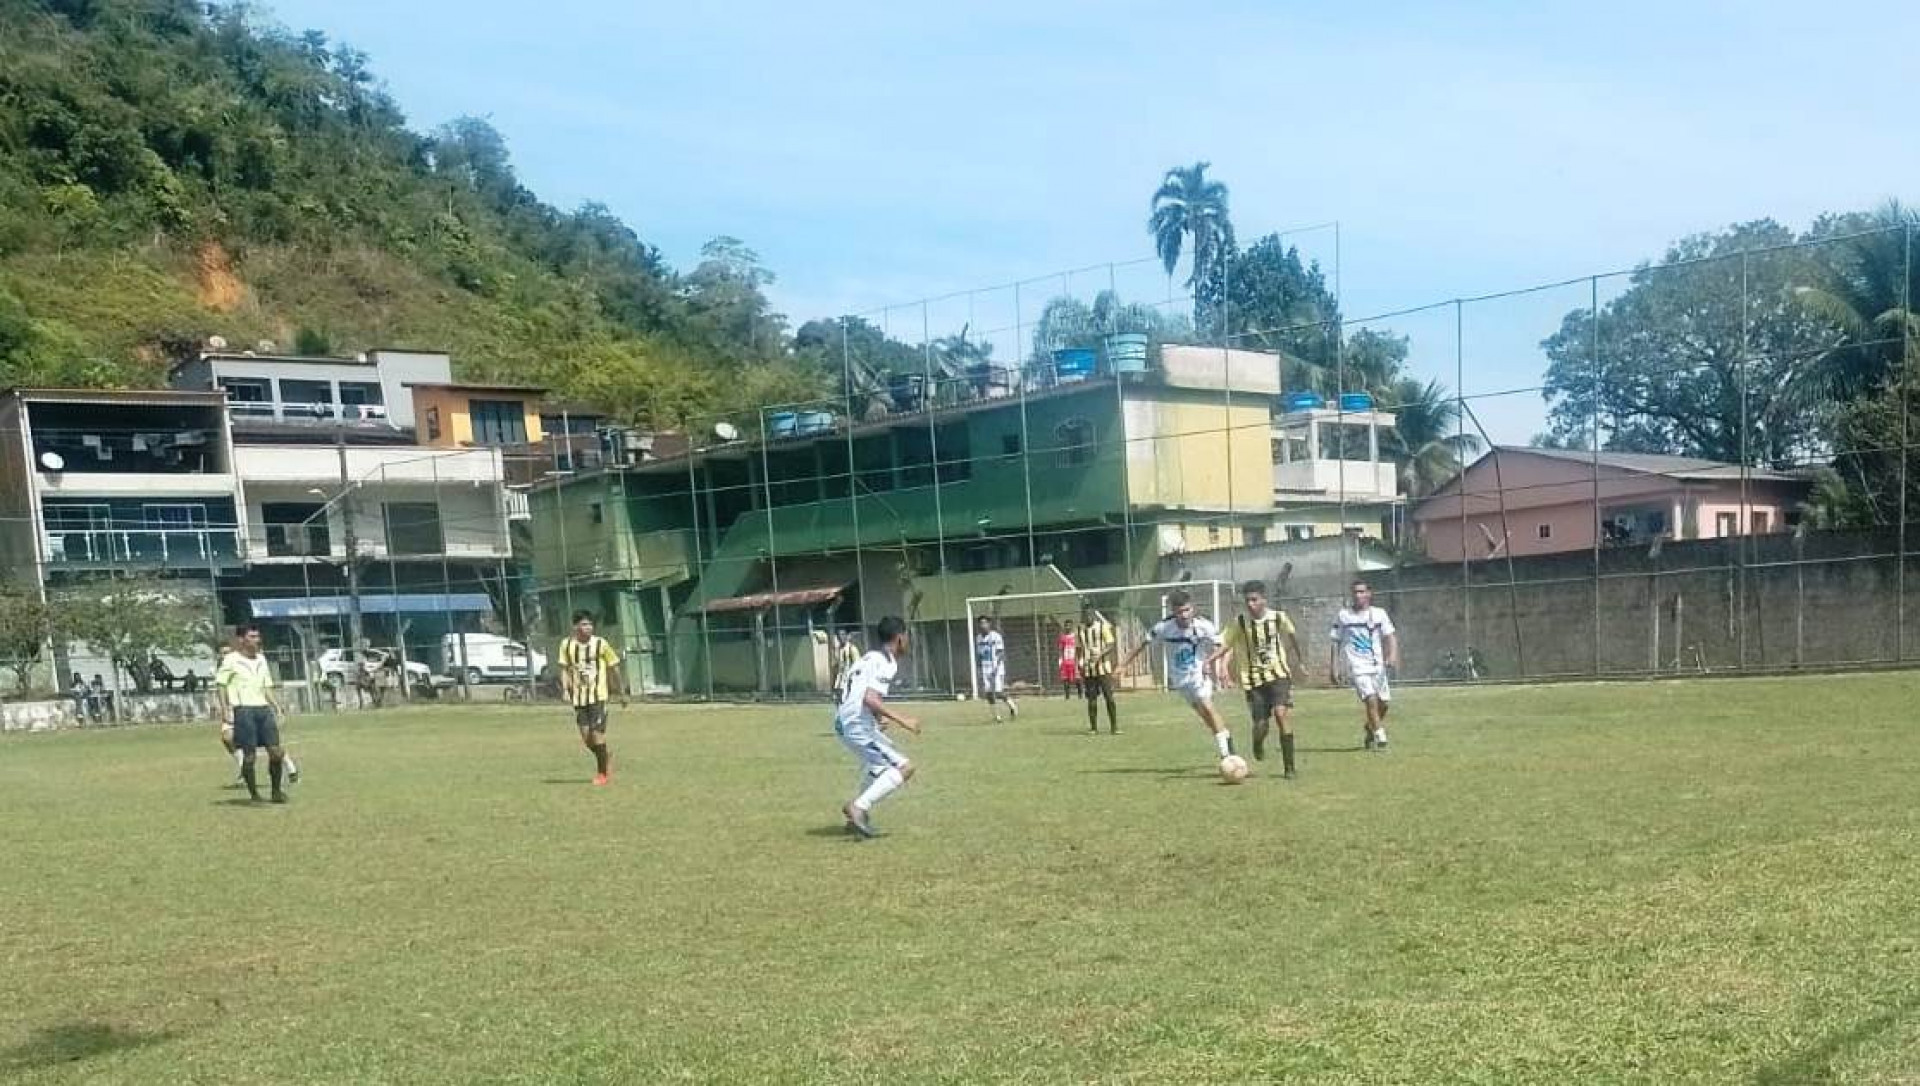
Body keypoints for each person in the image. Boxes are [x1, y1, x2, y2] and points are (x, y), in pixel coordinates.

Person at [1118, 589, 1235, 763]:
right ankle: (1226, 738)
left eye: (1187, 610)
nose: (1184, 615)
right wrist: (1123, 664)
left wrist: (1219, 666)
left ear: (1193, 608)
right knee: (1205, 716)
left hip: (1198, 675)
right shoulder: (1164, 627)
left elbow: (1225, 646)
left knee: (1208, 707)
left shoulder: (1204, 626)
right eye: (1180, 612)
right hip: (1180, 679)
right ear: (1173, 611)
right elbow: (1142, 645)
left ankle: (1227, 755)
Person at [834, 616, 921, 838]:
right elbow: (870, 698)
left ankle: (856, 813)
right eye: (906, 636)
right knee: (905, 767)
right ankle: (858, 807)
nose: (908, 641)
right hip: (856, 723)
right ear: (900, 638)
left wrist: (877, 718)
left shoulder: (869, 657)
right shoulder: (886, 662)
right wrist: (904, 721)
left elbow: (860, 692)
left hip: (846, 720)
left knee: (879, 767)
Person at [1214, 580, 1303, 779]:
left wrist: (1300, 660)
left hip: (1278, 674)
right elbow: (1226, 644)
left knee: (1281, 714)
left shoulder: (1278, 617)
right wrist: (1213, 661)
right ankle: (1258, 742)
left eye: (1254, 600)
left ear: (1264, 599)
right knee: (1260, 725)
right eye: (1247, 600)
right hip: (1253, 680)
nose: (1250, 604)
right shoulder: (1240, 622)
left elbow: (1292, 636)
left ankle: (1289, 768)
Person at [215, 624, 290, 804]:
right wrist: (225, 709)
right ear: (241, 639)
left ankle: (276, 792)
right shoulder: (231, 660)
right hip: (244, 710)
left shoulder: (262, 659)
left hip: (263, 710)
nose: (257, 640)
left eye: (258, 636)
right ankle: (254, 795)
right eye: (252, 637)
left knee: (276, 751)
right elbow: (221, 684)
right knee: (250, 755)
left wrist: (277, 707)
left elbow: (266, 686)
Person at [1331, 580, 1399, 751]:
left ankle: (1370, 728)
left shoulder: (1379, 614)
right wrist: (1334, 666)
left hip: (1377, 665)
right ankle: (1381, 737)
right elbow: (1335, 641)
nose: (1358, 595)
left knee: (1384, 703)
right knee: (1370, 699)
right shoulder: (1344, 615)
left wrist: (1392, 655)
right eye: (1355, 592)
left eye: (1361, 592)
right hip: (1357, 666)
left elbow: (1390, 636)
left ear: (1369, 594)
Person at [557, 610, 621, 785]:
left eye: (590, 624)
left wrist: (620, 690)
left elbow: (614, 666)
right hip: (579, 698)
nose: (588, 627)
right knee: (587, 739)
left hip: (598, 696)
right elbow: (564, 669)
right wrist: (565, 690)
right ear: (575, 626)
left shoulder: (601, 644)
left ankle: (602, 774)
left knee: (597, 734)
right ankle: (605, 756)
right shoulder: (567, 645)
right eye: (584, 624)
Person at [1075, 604, 1119, 734]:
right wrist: (1080, 662)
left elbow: (1110, 644)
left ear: (1093, 615)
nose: (1087, 617)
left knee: (1109, 697)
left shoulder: (1102, 627)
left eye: (1089, 614)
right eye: (1085, 615)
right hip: (1088, 670)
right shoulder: (1080, 630)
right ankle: (1094, 728)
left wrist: (1100, 654)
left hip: (1103, 669)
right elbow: (1079, 648)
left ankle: (1114, 727)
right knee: (1091, 699)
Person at [974, 615, 1016, 723]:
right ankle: (997, 717)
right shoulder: (978, 638)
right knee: (988, 693)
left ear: (989, 624)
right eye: (981, 623)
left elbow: (1001, 653)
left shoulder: (996, 636)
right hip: (985, 669)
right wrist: (979, 669)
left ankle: (1012, 706)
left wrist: (996, 668)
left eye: (985, 623)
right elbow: (979, 655)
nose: (983, 625)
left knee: (998, 692)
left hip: (996, 668)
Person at [831, 630, 860, 699]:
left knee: (846, 696)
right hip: (840, 677)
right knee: (837, 696)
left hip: (849, 677)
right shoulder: (838, 649)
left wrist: (854, 677)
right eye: (839, 636)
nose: (841, 637)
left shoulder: (851, 648)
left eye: (843, 635)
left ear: (846, 636)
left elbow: (857, 664)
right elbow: (837, 663)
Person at [1056, 620, 1079, 699]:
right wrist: (1060, 659)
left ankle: (1080, 695)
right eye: (1066, 626)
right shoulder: (1062, 637)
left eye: (1069, 625)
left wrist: (1080, 659)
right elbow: (1060, 649)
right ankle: (1067, 696)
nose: (1068, 627)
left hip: (1074, 660)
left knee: (1077, 678)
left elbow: (1079, 648)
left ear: (1072, 626)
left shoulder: (1075, 637)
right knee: (1065, 679)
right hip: (1065, 661)